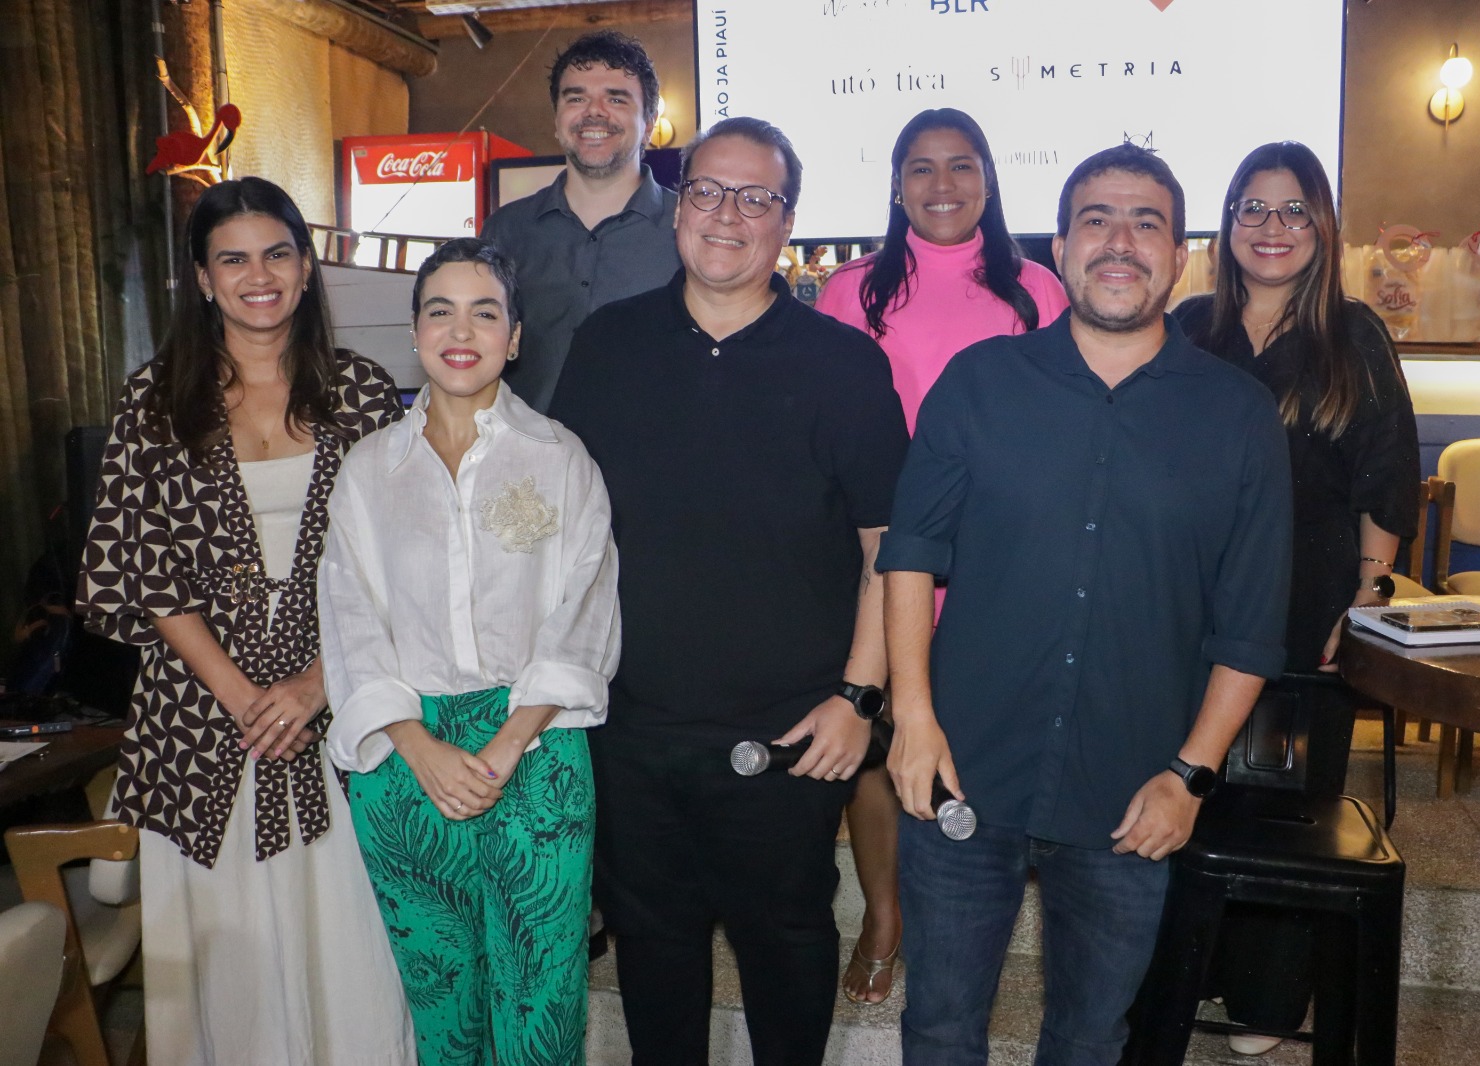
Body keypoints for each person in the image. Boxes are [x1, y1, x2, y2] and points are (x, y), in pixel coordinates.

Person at [877, 143, 1294, 1065]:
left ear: (1178, 257)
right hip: (963, 764)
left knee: (1091, 1036)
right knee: (939, 1027)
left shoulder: (1238, 416)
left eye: (1146, 223)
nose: (1120, 241)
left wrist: (1190, 775)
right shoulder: (981, 382)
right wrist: (912, 718)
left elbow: (1251, 627)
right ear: (1060, 249)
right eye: (1096, 220)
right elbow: (909, 556)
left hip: (1133, 786)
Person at [549, 116, 908, 1064]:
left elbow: (890, 551)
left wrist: (859, 698)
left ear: (787, 223)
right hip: (631, 726)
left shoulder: (844, 366)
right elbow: (557, 529)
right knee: (653, 948)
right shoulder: (608, 345)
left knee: (786, 944)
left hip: (791, 732)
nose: (727, 215)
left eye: (757, 198)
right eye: (708, 190)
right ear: (678, 209)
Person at [76, 176, 414, 1066]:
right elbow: (141, 566)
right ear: (202, 277)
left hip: (340, 713)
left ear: (305, 268)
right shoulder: (154, 399)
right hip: (197, 722)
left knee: (352, 953)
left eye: (276, 254)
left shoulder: (363, 393)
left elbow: (408, 564)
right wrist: (242, 697)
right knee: (231, 970)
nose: (257, 276)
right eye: (233, 259)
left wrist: (315, 685)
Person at [318, 237, 620, 1066]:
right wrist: (418, 745)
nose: (461, 331)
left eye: (484, 312)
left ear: (514, 337)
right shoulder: (369, 470)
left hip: (538, 749)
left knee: (541, 1001)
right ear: (415, 332)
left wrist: (507, 742)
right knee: (442, 1004)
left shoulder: (559, 458)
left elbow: (585, 609)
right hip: (402, 757)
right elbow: (349, 618)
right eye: (439, 311)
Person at [813, 106, 1067, 1005]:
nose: (943, 184)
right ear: (895, 186)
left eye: (962, 166)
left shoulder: (1039, 289)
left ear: (989, 181)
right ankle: (884, 914)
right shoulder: (850, 292)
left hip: (1001, 558)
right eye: (921, 167)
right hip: (881, 556)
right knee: (876, 744)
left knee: (972, 736)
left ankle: (963, 916)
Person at [1172, 140, 1420, 1057]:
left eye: (1293, 211)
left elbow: (1387, 473)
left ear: (1321, 228)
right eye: (1254, 207)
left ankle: (1266, 1000)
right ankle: (1179, 970)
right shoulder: (1188, 326)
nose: (1271, 227)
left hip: (1305, 595)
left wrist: (1365, 596)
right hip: (1187, 594)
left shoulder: (1352, 334)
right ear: (1227, 223)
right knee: (1186, 779)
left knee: (1281, 802)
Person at [480, 29, 680, 413]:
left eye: (616, 98)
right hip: (526, 450)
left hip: (654, 449)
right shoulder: (505, 232)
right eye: (576, 98)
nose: (594, 112)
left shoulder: (688, 230)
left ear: (650, 122)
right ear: (556, 120)